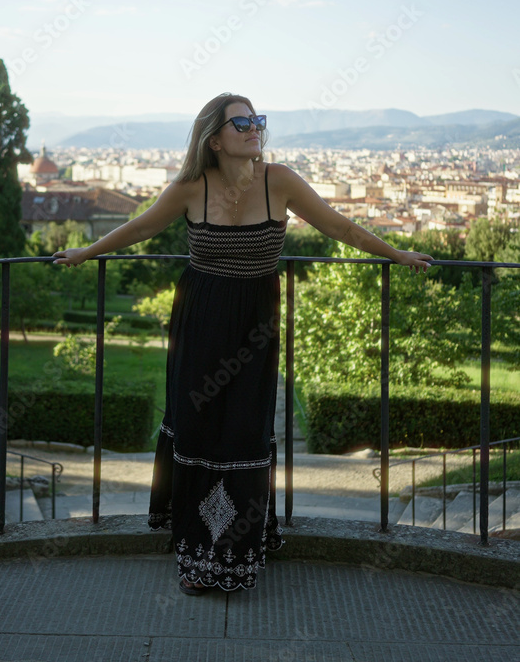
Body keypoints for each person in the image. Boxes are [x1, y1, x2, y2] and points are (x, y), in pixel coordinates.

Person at [53, 92, 433, 595]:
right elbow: (142, 225)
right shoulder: (192, 186)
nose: (255, 129)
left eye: (258, 121)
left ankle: (236, 551)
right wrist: (87, 252)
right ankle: (197, 558)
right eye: (243, 123)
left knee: (243, 432)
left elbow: (340, 227)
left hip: (254, 324)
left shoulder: (281, 181)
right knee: (198, 429)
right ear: (214, 139)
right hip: (199, 318)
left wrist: (397, 253)